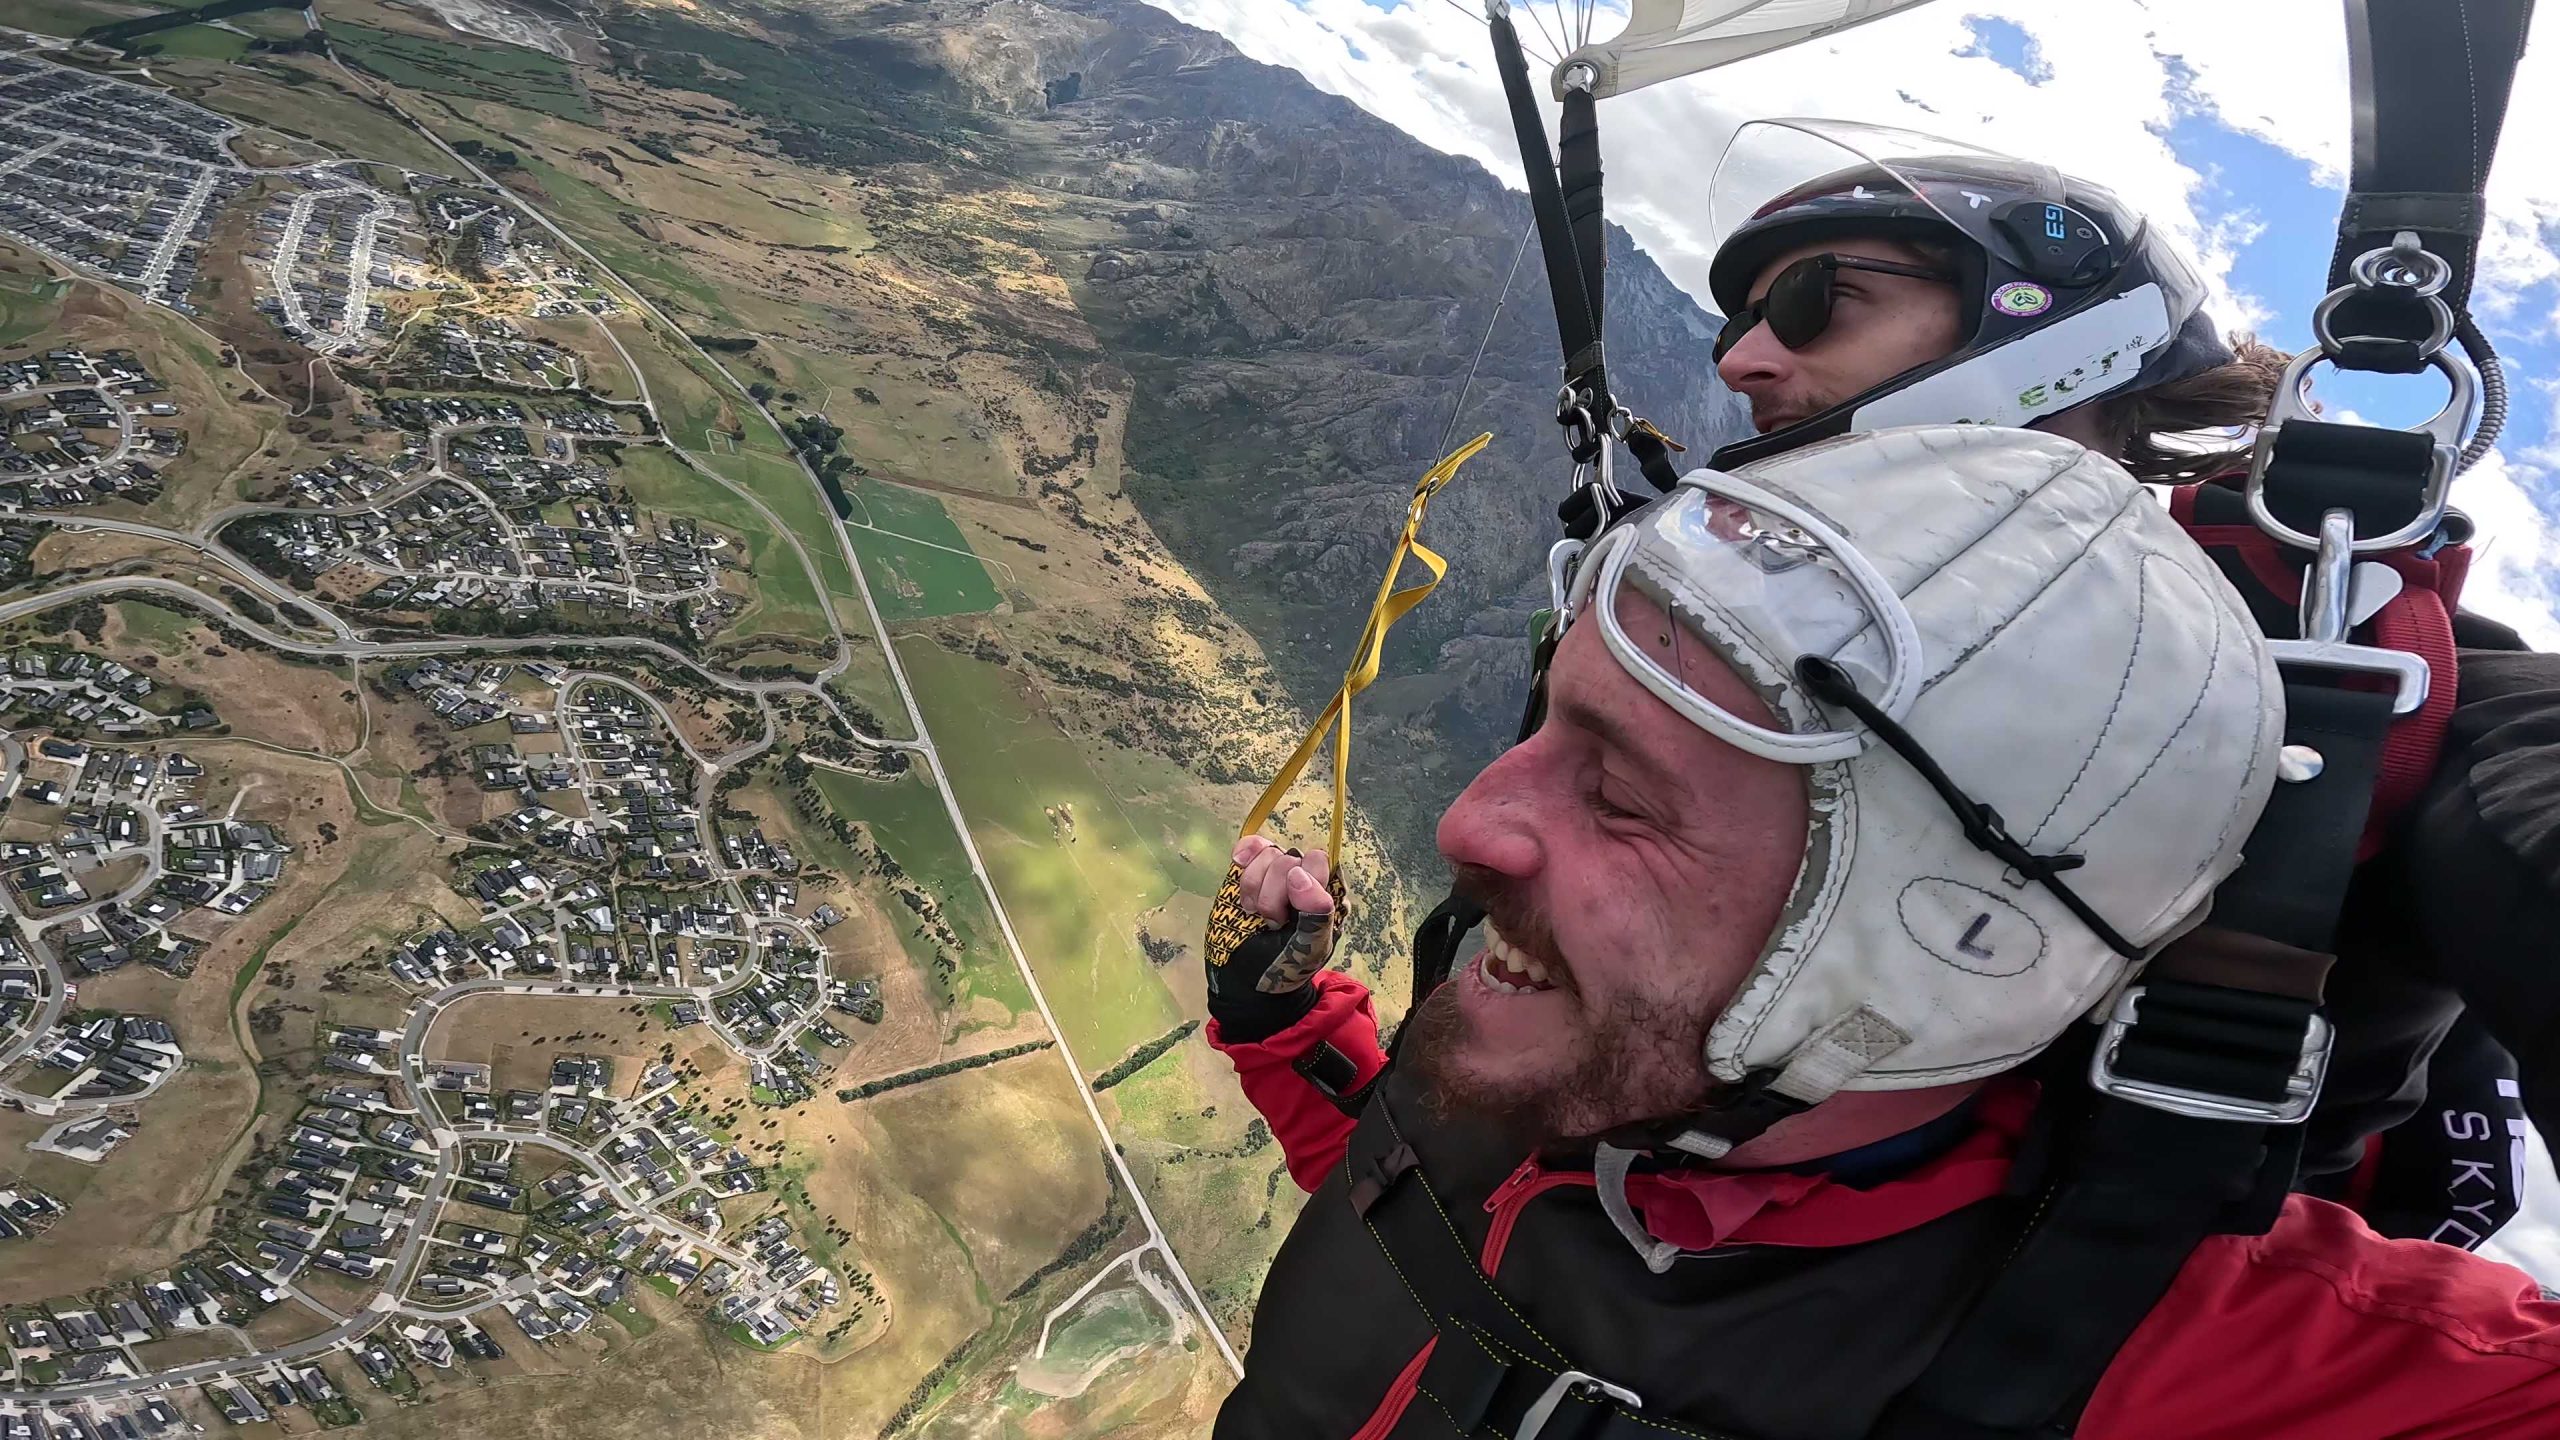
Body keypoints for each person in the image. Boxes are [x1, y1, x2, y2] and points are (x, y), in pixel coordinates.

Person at [1203, 425, 2560, 1440]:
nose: (1471, 822)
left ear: (1941, 946)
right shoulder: (1592, 1075)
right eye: (1549, 723)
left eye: (1618, 793)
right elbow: (1418, 1196)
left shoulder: (2161, 1358)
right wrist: (1286, 1035)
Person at [1551, 127, 2544, 1245]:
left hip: (2081, 1321)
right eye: (1740, 323)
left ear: (2041, 328)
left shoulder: (2342, 660)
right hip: (1637, 1249)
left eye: (1815, 301)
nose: (1740, 362)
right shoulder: (1748, 615)